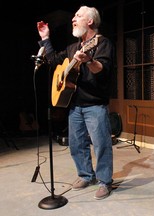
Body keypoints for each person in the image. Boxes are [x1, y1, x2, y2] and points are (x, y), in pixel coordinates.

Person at [36, 5, 114, 200]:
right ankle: (86, 175)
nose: (73, 19)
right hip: (74, 105)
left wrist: (88, 60)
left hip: (95, 105)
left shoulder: (102, 43)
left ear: (90, 21)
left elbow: (101, 69)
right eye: (74, 16)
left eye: (78, 16)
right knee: (76, 144)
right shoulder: (72, 48)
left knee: (101, 145)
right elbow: (54, 60)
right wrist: (45, 38)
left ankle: (105, 181)